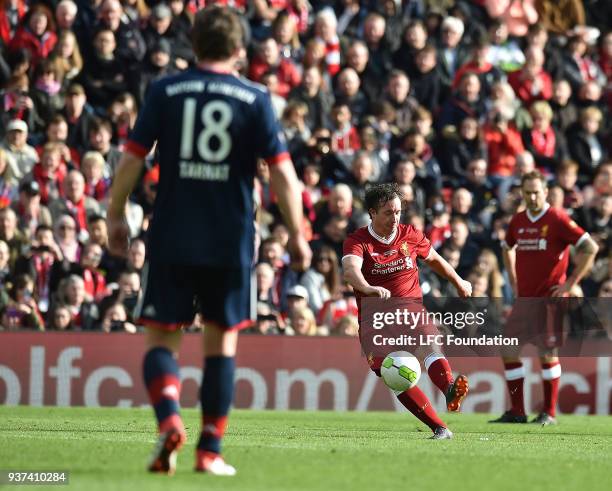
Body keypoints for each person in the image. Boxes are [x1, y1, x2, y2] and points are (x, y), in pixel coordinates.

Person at [106, 5, 311, 476]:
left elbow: (132, 157)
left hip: (173, 232)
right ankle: (209, 451)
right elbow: (282, 172)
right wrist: (298, 234)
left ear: (194, 46)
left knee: (162, 338)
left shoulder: (165, 90)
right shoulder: (255, 98)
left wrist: (116, 213)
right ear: (240, 50)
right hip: (230, 239)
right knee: (221, 346)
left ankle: (169, 421)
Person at [342, 183, 472, 439]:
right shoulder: (357, 241)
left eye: (398, 212)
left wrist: (458, 281)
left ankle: (448, 389)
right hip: (375, 320)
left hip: (410, 310)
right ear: (372, 213)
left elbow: (434, 259)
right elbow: (350, 271)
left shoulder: (410, 234)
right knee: (393, 372)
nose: (395, 218)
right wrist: (368, 288)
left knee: (429, 344)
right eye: (388, 212)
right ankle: (440, 428)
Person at [491, 171, 599, 425]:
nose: (531, 196)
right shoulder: (518, 221)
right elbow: (507, 248)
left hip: (549, 299)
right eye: (527, 192)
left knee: (547, 353)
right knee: (508, 350)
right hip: (525, 300)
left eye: (536, 192)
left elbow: (590, 248)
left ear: (546, 192)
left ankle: (548, 413)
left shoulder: (558, 218)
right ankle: (517, 411)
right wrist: (514, 281)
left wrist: (570, 284)